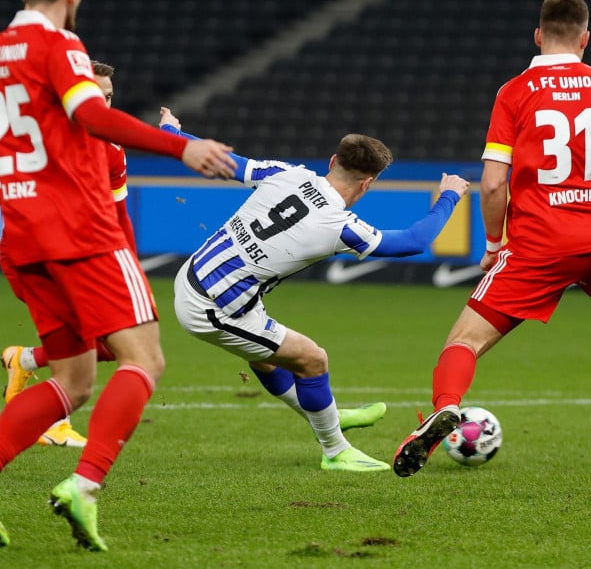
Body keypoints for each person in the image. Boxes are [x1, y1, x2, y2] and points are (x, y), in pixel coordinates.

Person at [0, 0, 236, 551]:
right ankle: (85, 483)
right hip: (78, 230)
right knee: (145, 360)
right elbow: (93, 116)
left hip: (21, 238)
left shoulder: (3, 54)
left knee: (75, 380)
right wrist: (180, 146)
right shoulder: (59, 45)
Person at [392, 0, 591, 490]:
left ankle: (444, 411)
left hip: (538, 245)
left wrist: (491, 242)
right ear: (585, 40)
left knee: (464, 340)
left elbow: (491, 182)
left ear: (537, 35)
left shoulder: (515, 92)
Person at [160, 108, 469, 473]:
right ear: (367, 184)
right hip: (214, 306)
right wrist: (449, 196)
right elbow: (415, 240)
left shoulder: (286, 173)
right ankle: (335, 449)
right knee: (312, 359)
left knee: (265, 355)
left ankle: (328, 414)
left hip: (199, 274)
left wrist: (171, 131)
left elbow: (220, 161)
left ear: (333, 160)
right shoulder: (339, 225)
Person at [2, 61, 132, 448]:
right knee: (82, 344)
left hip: (82, 260)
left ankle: (22, 361)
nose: (102, 104)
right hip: (34, 258)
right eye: (93, 94)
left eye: (107, 96)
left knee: (109, 345)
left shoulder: (112, 150)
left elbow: (119, 216)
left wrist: (127, 270)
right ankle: (50, 420)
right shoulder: (36, 139)